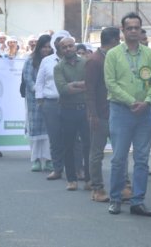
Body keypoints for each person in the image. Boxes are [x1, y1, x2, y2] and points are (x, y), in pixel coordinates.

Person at [104, 12, 151, 217]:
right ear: (123, 31)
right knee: (119, 158)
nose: (133, 31)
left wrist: (146, 102)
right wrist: (131, 101)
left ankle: (138, 201)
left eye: (137, 27)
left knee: (143, 159)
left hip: (145, 114)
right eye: (130, 28)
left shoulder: (149, 54)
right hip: (121, 112)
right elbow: (110, 83)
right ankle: (116, 199)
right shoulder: (113, 55)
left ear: (141, 30)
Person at [85, 27, 120, 203]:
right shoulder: (95, 60)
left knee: (119, 152)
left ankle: (124, 186)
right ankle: (97, 188)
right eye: (119, 40)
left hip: (116, 112)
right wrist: (93, 114)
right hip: (100, 114)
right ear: (113, 41)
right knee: (97, 153)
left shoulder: (115, 58)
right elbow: (89, 90)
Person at [54, 36, 91, 192]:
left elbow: (91, 84)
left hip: (85, 110)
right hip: (67, 110)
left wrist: (73, 85)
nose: (68, 49)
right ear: (60, 49)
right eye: (65, 47)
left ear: (75, 47)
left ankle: (89, 179)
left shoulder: (86, 63)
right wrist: (81, 85)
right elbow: (63, 90)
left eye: (70, 46)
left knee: (88, 145)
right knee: (68, 145)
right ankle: (71, 179)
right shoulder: (58, 67)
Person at [36, 31, 71, 177]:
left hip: (71, 104)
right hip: (51, 104)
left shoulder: (77, 60)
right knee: (55, 138)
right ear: (54, 44)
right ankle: (57, 169)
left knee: (73, 138)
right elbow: (40, 82)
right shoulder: (47, 61)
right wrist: (41, 101)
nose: (60, 43)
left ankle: (77, 169)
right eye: (57, 41)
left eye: (64, 41)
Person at [22, 34, 54, 172]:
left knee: (49, 129)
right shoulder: (30, 60)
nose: (46, 50)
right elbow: (28, 79)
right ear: (39, 47)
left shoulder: (53, 60)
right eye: (44, 47)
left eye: (49, 47)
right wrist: (39, 91)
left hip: (50, 98)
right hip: (34, 99)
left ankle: (48, 160)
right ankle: (35, 159)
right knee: (35, 128)